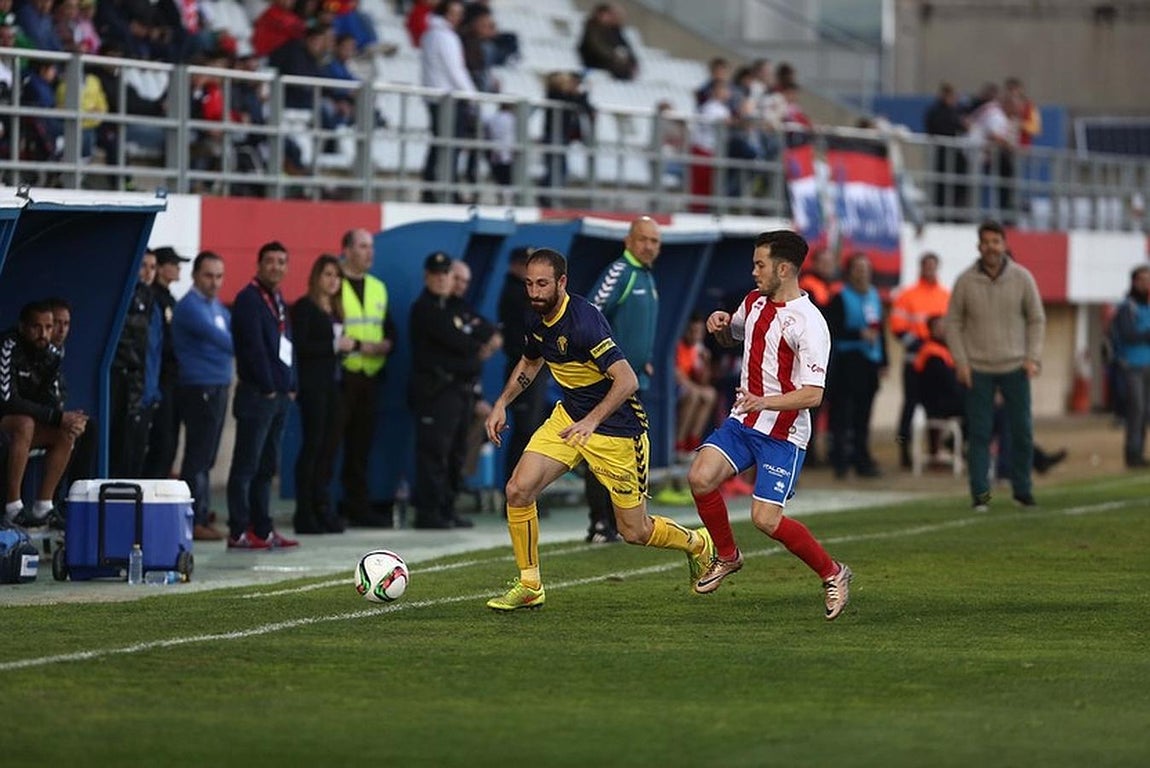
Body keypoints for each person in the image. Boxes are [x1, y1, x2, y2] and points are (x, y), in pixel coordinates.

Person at [483, 248, 714, 611]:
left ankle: (698, 543)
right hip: (569, 419)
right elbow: (530, 361)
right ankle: (530, 585)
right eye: (529, 284)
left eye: (542, 284)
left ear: (562, 282)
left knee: (634, 531)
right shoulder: (535, 315)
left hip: (617, 429)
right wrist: (502, 402)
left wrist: (591, 421)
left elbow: (627, 380)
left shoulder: (584, 323)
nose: (535, 292)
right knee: (518, 490)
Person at [684, 230, 853, 621]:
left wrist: (767, 401)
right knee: (700, 478)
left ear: (784, 269)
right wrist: (721, 327)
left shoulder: (810, 324)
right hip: (745, 420)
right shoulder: (753, 302)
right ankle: (728, 556)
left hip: (783, 433)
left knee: (765, 520)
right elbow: (733, 339)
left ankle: (833, 573)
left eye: (760, 265)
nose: (754, 271)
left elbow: (813, 395)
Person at [945, 221, 1045, 511]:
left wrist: (1033, 357)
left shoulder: (1022, 277)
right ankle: (981, 496)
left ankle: (1022, 491)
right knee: (979, 434)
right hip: (977, 369)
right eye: (986, 242)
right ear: (979, 246)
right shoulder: (965, 281)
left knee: (1022, 431)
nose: (991, 247)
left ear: (1004, 244)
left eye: (996, 242)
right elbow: (953, 323)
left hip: (1016, 367)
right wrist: (961, 362)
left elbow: (1037, 319)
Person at [583, 216, 660, 543]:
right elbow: (589, 316)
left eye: (654, 241)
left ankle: (616, 521)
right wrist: (605, 363)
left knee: (624, 452)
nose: (649, 246)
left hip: (633, 382)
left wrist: (644, 359)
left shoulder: (645, 275)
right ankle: (600, 522)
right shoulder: (620, 272)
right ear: (628, 241)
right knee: (603, 450)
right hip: (608, 382)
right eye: (643, 239)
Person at [409, 252, 499, 529]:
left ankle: (447, 508)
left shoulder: (454, 307)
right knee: (434, 453)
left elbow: (485, 331)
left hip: (458, 392)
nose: (442, 279)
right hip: (436, 392)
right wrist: (472, 348)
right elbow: (460, 342)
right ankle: (429, 512)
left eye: (446, 274)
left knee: (455, 452)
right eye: (437, 274)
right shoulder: (425, 308)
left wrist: (472, 347)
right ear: (427, 277)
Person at [225, 242, 300, 550]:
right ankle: (238, 531)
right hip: (258, 394)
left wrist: (291, 383)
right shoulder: (248, 299)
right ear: (258, 265)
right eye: (270, 261)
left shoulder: (277, 299)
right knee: (247, 465)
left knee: (267, 467)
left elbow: (287, 343)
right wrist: (269, 385)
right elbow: (252, 348)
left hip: (278, 395)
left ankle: (262, 529)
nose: (276, 267)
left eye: (282, 262)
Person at [1, 301, 88, 527]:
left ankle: (43, 506)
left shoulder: (51, 354)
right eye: (36, 327)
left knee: (66, 431)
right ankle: (13, 508)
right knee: (25, 424)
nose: (43, 334)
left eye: (48, 327)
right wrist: (57, 417)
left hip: (23, 426)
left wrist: (69, 419)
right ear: (22, 327)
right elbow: (7, 400)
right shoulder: (8, 346)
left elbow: (50, 399)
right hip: (7, 421)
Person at [291, 254, 356, 534]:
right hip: (313, 386)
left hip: (334, 384)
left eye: (337, 276)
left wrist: (346, 348)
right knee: (313, 446)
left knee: (329, 449)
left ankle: (322, 506)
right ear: (316, 277)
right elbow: (301, 346)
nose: (333, 281)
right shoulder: (305, 307)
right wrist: (333, 346)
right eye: (328, 274)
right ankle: (304, 512)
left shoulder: (337, 310)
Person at [172, 251, 233, 542]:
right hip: (200, 387)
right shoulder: (190, 307)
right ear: (195, 275)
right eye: (209, 275)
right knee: (198, 456)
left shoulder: (217, 307)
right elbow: (226, 340)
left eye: (219, 276)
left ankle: (201, 512)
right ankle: (192, 519)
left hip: (218, 384)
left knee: (206, 456)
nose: (215, 282)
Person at [338, 228, 394, 527]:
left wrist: (386, 344)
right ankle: (326, 506)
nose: (369, 252)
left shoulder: (377, 287)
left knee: (361, 448)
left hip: (369, 376)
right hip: (341, 375)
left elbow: (388, 328)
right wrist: (361, 346)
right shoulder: (335, 284)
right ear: (346, 250)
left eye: (370, 246)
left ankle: (357, 506)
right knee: (329, 446)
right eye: (362, 246)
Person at [826, 253, 887, 479]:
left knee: (864, 413)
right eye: (858, 268)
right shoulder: (840, 297)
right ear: (850, 272)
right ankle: (840, 461)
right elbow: (833, 329)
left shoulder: (874, 296)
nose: (863, 273)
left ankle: (862, 460)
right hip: (848, 360)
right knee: (843, 413)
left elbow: (880, 330)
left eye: (866, 269)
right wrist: (858, 334)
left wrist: (884, 361)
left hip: (870, 360)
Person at [497, 248, 550, 495]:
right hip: (523, 367)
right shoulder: (514, 293)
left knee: (532, 432)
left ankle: (526, 491)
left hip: (535, 368)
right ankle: (515, 491)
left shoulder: (523, 293)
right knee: (524, 432)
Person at [889, 252, 950, 468]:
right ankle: (903, 448)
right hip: (914, 360)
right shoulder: (907, 295)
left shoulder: (945, 295)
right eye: (926, 266)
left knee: (936, 405)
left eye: (933, 266)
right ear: (921, 268)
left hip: (938, 361)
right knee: (910, 405)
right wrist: (923, 345)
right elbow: (897, 327)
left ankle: (935, 451)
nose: (929, 270)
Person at [419, 0, 476, 203]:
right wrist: (471, 95)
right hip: (449, 98)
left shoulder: (429, 34)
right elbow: (455, 70)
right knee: (450, 145)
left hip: (435, 97)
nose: (458, 18)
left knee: (439, 143)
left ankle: (431, 188)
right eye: (454, 13)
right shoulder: (446, 37)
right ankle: (448, 189)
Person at [108, 249, 158, 477]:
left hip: (142, 383)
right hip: (123, 379)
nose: (148, 272)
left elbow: (150, 348)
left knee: (136, 451)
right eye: (143, 266)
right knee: (120, 447)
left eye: (152, 267)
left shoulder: (148, 296)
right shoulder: (124, 293)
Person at [142, 246, 188, 480]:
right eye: (173, 263)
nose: (178, 268)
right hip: (159, 380)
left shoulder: (169, 299)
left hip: (173, 378)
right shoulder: (154, 299)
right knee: (161, 441)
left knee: (170, 442)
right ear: (161, 268)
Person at [1111, 265, 1150, 468]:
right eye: (1142, 279)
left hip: (1148, 365)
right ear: (1134, 282)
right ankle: (1132, 454)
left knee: (1145, 412)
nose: (1145, 284)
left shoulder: (1147, 307)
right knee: (1136, 410)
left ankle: (1140, 452)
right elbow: (1127, 334)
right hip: (1132, 366)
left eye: (1148, 280)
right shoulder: (1127, 307)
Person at [674, 314, 716, 458]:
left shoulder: (698, 349)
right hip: (675, 388)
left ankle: (692, 442)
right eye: (692, 331)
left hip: (690, 387)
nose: (695, 335)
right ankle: (679, 443)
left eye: (699, 332)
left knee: (710, 394)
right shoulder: (677, 345)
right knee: (693, 394)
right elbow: (677, 375)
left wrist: (706, 362)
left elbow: (704, 381)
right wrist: (695, 388)